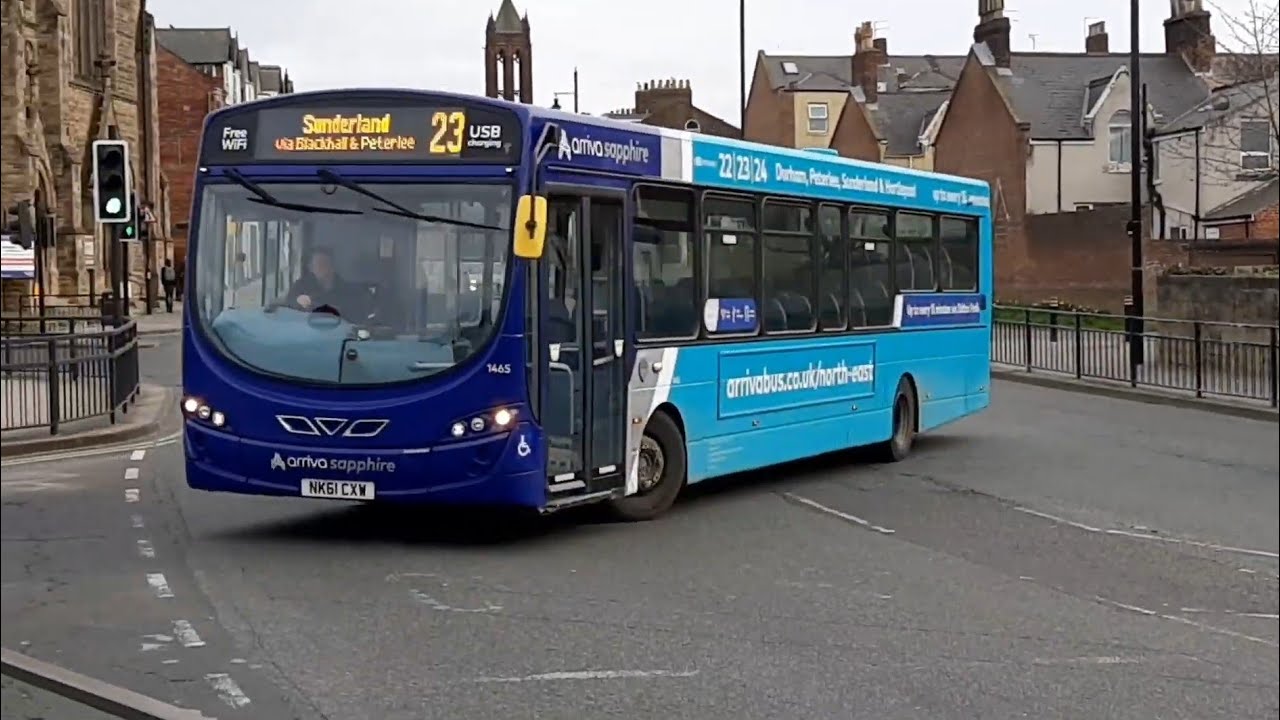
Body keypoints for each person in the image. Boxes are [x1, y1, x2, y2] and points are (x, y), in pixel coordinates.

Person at [285, 247, 364, 317]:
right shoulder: (301, 285)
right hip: (307, 328)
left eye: (324, 264)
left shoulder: (348, 291)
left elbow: (355, 314)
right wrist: (298, 300)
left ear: (333, 266)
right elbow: (288, 304)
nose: (321, 268)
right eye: (317, 264)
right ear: (311, 268)